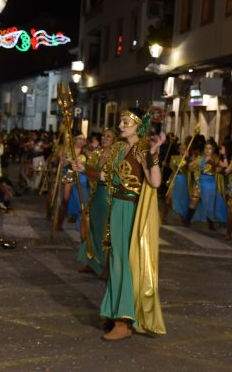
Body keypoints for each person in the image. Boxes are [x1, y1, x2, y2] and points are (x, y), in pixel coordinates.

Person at [74, 107, 166, 340]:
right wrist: (84, 169)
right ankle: (114, 311)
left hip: (130, 209)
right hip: (114, 206)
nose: (122, 125)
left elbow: (155, 182)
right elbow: (105, 176)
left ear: (139, 125)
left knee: (122, 263)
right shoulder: (117, 148)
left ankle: (124, 321)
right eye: (121, 121)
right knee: (114, 261)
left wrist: (154, 154)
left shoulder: (142, 147)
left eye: (127, 121)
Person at [76, 128, 116, 276]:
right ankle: (92, 262)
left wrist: (87, 170)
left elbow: (108, 176)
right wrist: (81, 165)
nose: (105, 139)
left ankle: (104, 266)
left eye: (109, 137)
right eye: (104, 136)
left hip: (108, 195)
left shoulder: (116, 156)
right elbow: (89, 170)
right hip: (96, 195)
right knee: (89, 228)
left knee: (104, 232)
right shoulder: (97, 154)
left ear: (114, 141)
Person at [184, 139, 227, 230]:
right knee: (194, 200)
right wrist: (194, 171)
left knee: (210, 202)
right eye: (206, 148)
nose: (207, 150)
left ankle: (211, 224)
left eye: (209, 148)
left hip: (210, 183)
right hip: (199, 182)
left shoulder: (215, 158)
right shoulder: (200, 158)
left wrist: (224, 154)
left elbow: (225, 166)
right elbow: (190, 165)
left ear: (213, 150)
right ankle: (187, 221)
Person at [161, 139, 190, 225]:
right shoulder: (174, 158)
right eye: (181, 149)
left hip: (183, 181)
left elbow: (190, 169)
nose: (183, 150)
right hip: (174, 179)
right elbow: (170, 167)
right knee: (168, 199)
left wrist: (187, 159)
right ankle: (164, 216)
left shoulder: (187, 159)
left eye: (185, 149)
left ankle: (184, 217)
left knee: (183, 199)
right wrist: (165, 164)